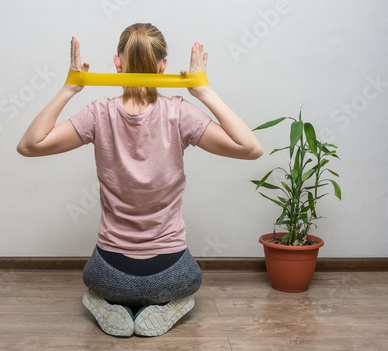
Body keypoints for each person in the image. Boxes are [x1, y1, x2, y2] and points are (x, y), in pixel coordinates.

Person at [17, 23, 263, 337]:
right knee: (192, 280)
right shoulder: (179, 114)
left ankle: (107, 304)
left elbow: (28, 146)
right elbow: (251, 148)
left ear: (117, 63)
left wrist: (70, 88)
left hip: (109, 276)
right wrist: (204, 91)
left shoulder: (98, 114)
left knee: (94, 279)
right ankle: (165, 305)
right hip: (170, 276)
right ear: (164, 67)